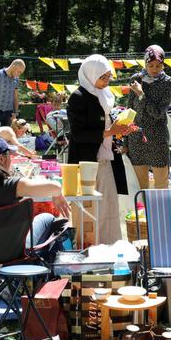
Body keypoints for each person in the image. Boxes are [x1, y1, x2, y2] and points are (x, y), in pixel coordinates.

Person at [67, 54, 133, 244]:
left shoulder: (105, 95)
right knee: (87, 208)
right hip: (86, 160)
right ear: (90, 74)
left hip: (106, 158)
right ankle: (88, 246)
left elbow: (106, 126)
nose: (106, 81)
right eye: (102, 77)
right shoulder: (78, 97)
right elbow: (78, 134)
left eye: (108, 77)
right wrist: (108, 131)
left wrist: (118, 129)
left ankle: (110, 246)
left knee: (108, 204)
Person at [0, 137, 70, 247]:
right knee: (47, 218)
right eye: (9, 155)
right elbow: (55, 187)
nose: (11, 159)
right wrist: (57, 195)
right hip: (14, 251)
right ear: (1, 158)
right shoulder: (13, 185)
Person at [127, 45, 171, 189]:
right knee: (139, 186)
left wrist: (141, 94)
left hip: (157, 137)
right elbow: (130, 111)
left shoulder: (169, 83)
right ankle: (142, 212)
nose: (155, 69)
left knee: (161, 184)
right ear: (145, 64)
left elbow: (158, 113)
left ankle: (160, 212)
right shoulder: (135, 79)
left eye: (158, 65)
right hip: (136, 136)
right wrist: (125, 142)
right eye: (151, 65)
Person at [0, 59, 25, 129]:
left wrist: (15, 112)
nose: (19, 74)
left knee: (6, 136)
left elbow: (15, 97)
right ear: (13, 66)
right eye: (19, 72)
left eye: (20, 73)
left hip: (9, 113)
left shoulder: (16, 79)